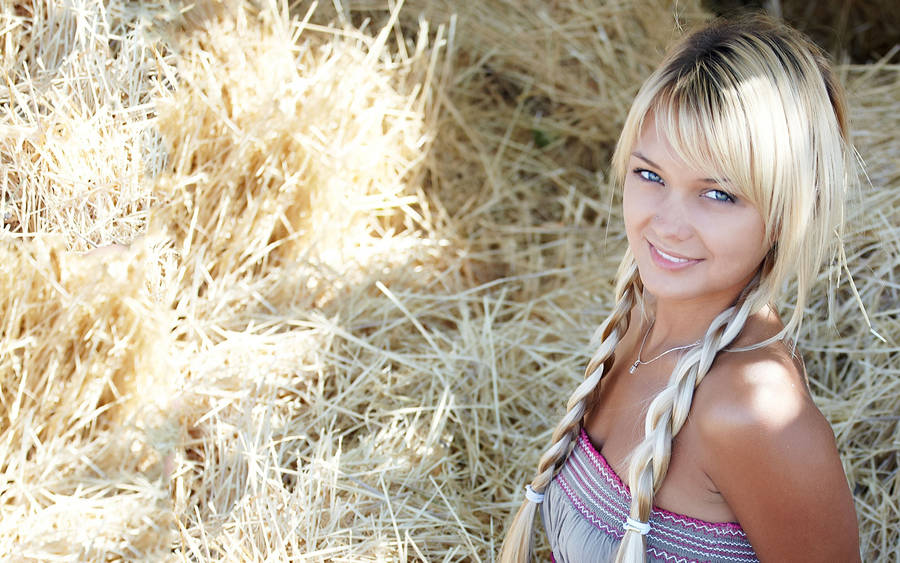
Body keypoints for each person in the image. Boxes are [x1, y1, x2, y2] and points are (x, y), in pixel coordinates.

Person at [500, 14, 861, 563]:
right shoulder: (640, 321)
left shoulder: (758, 416)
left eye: (717, 194)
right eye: (650, 175)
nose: (667, 224)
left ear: (786, 214)